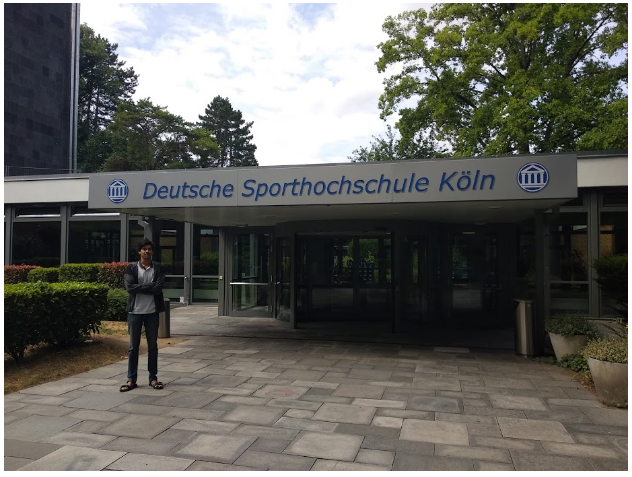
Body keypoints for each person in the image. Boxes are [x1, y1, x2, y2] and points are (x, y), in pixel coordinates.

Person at [120, 238, 166, 392]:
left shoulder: (158, 268)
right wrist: (150, 286)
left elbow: (158, 288)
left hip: (152, 312)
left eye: (149, 249)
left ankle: (153, 378)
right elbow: (130, 288)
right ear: (139, 251)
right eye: (144, 249)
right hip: (135, 312)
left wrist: (140, 287)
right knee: (133, 347)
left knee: (153, 347)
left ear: (152, 251)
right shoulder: (131, 269)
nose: (147, 251)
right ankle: (131, 380)